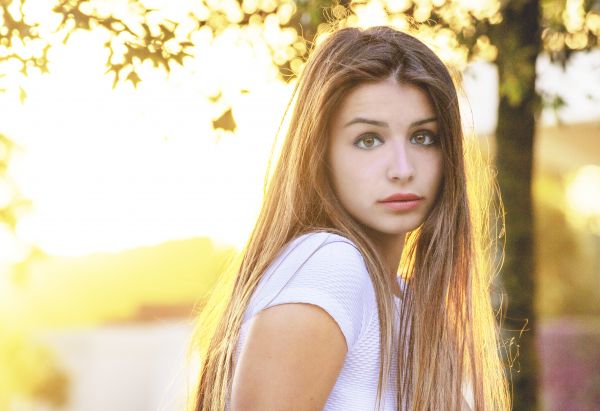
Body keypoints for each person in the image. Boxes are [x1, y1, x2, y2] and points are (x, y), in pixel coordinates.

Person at [192, 25, 510, 410]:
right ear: (320, 153)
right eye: (368, 140)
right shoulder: (329, 265)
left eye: (423, 137)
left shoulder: (407, 299)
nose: (402, 168)